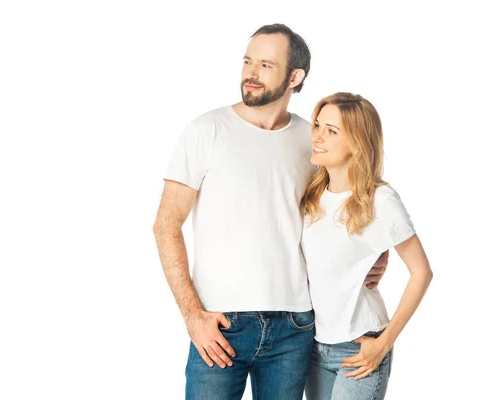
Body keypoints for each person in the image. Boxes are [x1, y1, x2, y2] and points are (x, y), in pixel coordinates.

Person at [153, 25, 389, 400]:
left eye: (266, 64)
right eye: (248, 61)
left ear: (295, 77)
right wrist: (193, 316)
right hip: (219, 325)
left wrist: (379, 251)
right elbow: (166, 226)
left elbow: (349, 200)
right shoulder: (206, 130)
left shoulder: (311, 141)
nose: (251, 72)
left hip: (295, 326)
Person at [300, 92, 434, 400]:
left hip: (359, 345)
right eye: (318, 126)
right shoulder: (311, 194)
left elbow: (421, 273)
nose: (317, 136)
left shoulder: (380, 200)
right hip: (313, 346)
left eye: (331, 131)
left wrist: (384, 342)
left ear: (358, 143)